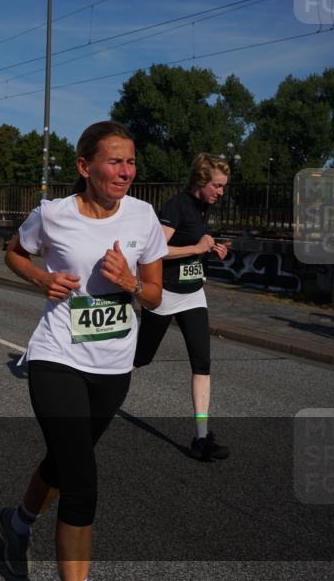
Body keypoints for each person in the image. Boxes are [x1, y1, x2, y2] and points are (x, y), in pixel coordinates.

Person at [0, 120, 167, 580]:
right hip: (58, 357)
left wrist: (130, 282)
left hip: (114, 367)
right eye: (115, 160)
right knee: (81, 483)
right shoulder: (53, 214)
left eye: (131, 161)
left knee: (64, 459)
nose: (126, 170)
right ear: (84, 165)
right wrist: (41, 279)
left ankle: (17, 522)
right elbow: (14, 252)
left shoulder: (143, 217)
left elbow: (154, 295)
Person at [133, 153, 232, 462]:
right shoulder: (176, 206)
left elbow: (195, 247)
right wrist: (196, 247)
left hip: (193, 294)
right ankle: (95, 387)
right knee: (140, 358)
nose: (221, 192)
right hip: (164, 295)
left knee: (202, 362)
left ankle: (201, 438)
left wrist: (211, 251)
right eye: (217, 186)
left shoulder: (203, 207)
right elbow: (155, 251)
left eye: (223, 187)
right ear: (201, 181)